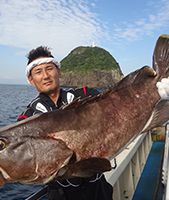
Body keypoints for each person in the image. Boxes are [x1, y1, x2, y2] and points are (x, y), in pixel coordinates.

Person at [18, 46, 113, 200]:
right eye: (38, 72)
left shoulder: (84, 94)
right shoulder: (27, 119)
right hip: (61, 195)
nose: (45, 76)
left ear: (59, 72)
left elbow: (113, 103)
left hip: (98, 188)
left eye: (49, 69)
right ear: (31, 79)